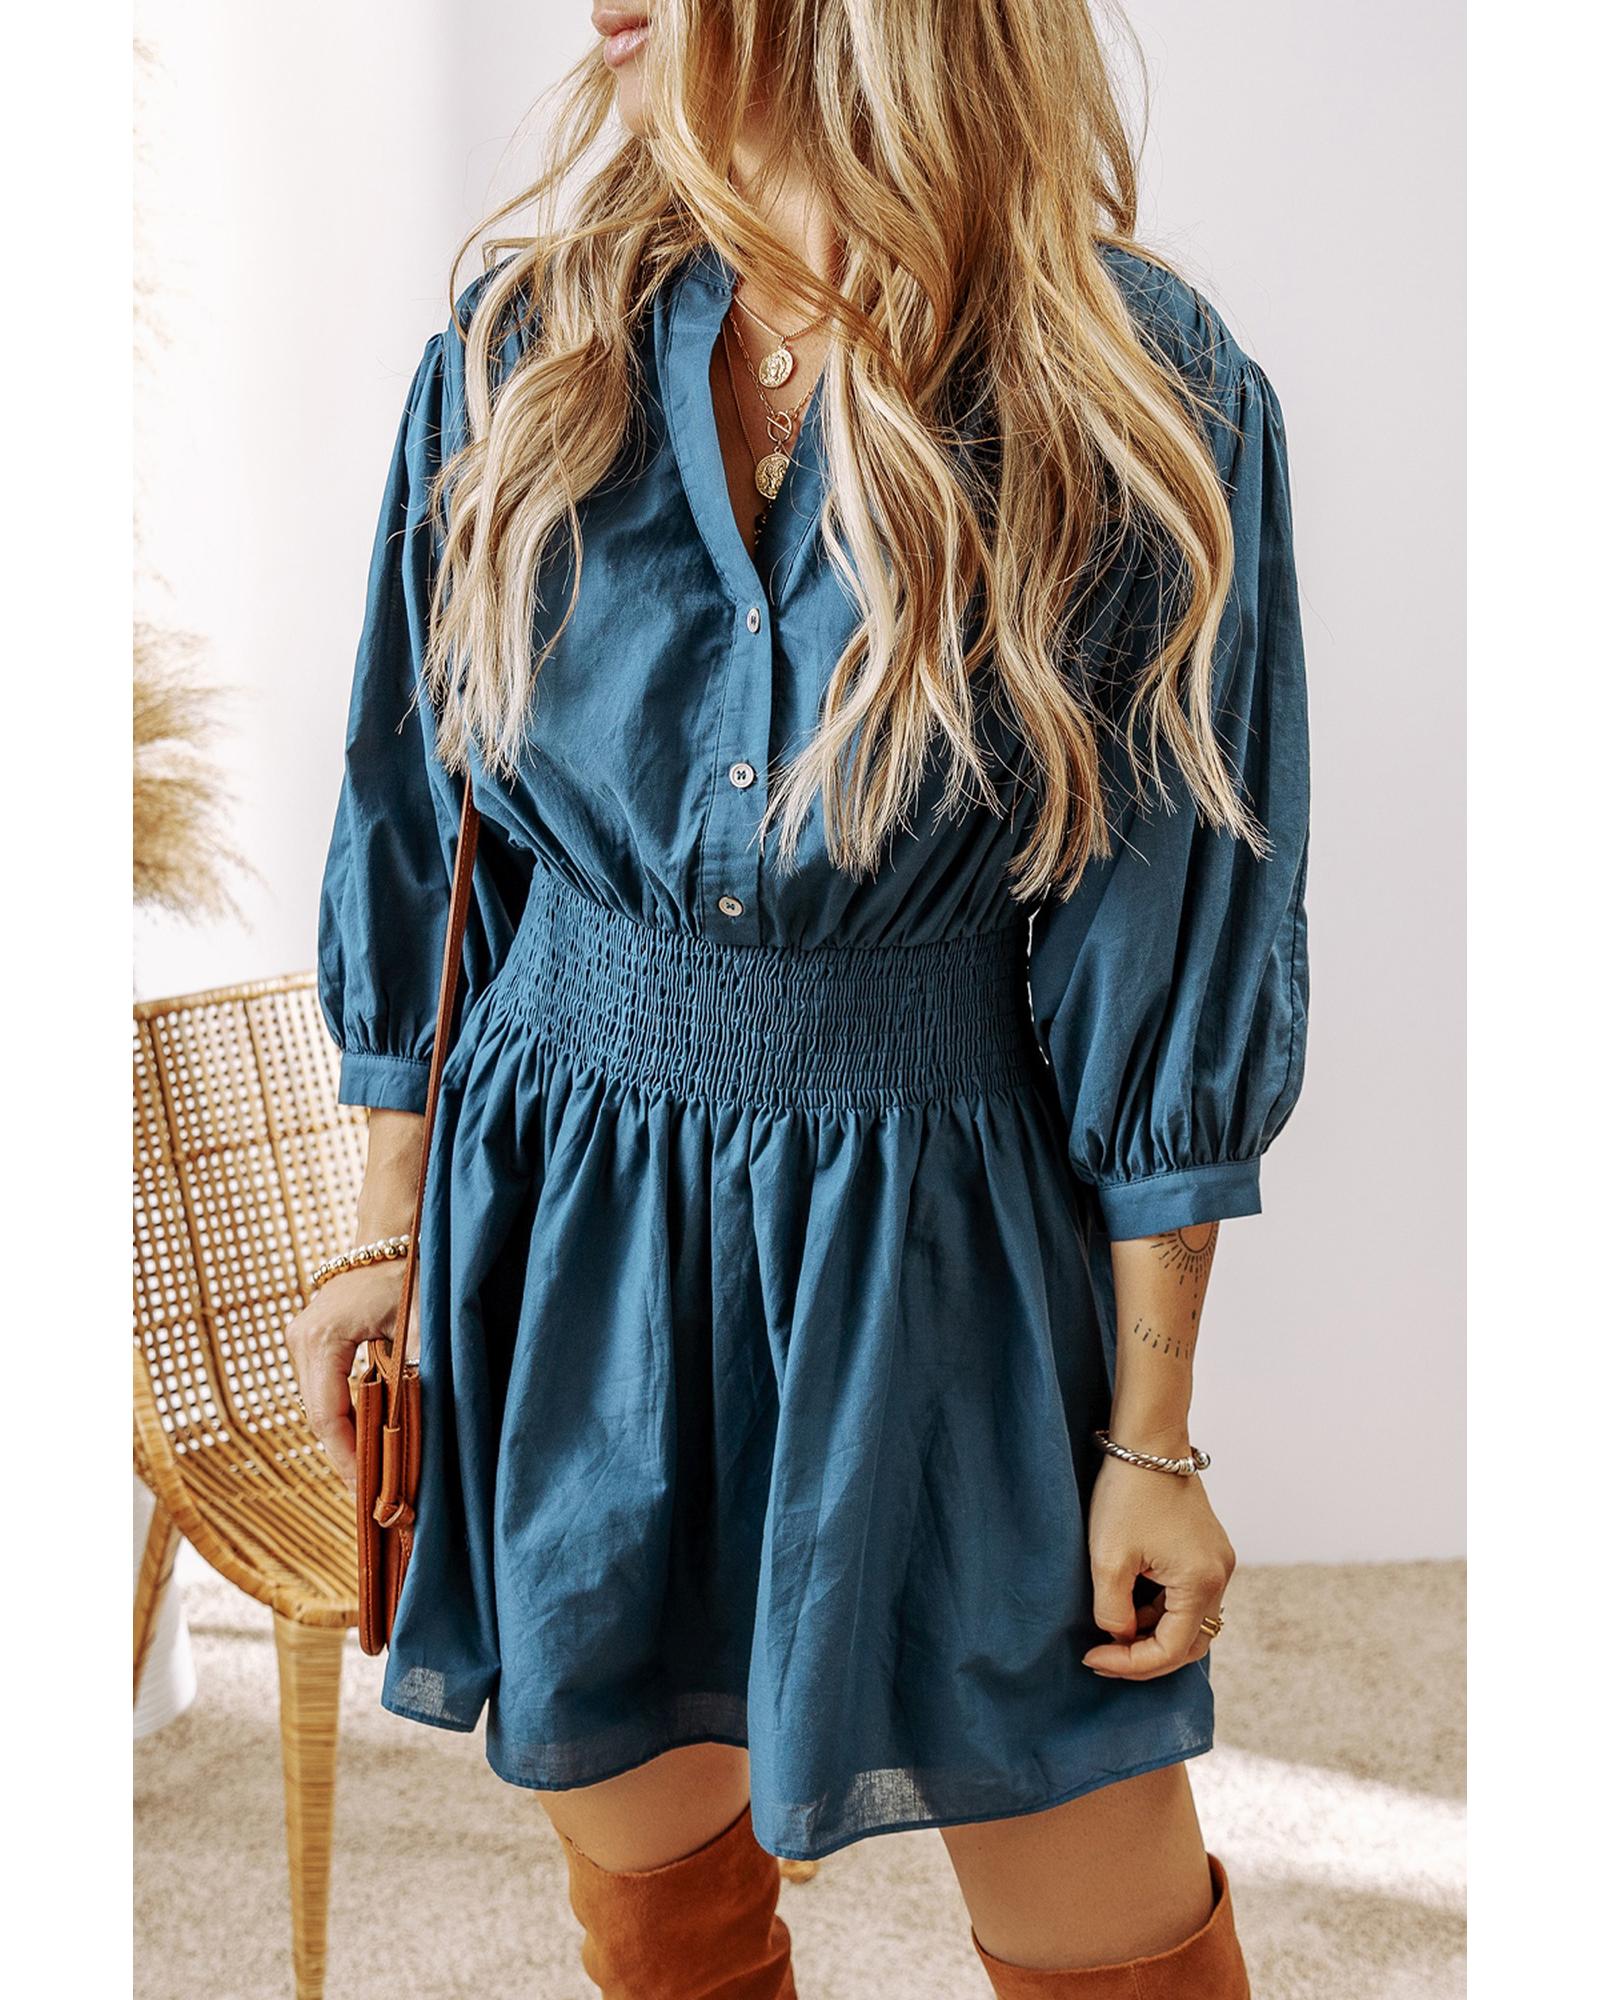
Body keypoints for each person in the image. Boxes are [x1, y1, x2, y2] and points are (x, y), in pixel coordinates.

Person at [290, 2, 1310, 1992]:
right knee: (657, 1894)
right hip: (564, 1220)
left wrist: (1153, 1440)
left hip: (931, 1243)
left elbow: (1169, 931)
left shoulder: (1132, 388)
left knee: (1100, 1922)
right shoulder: (520, 351)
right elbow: (419, 816)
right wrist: (384, 1231)